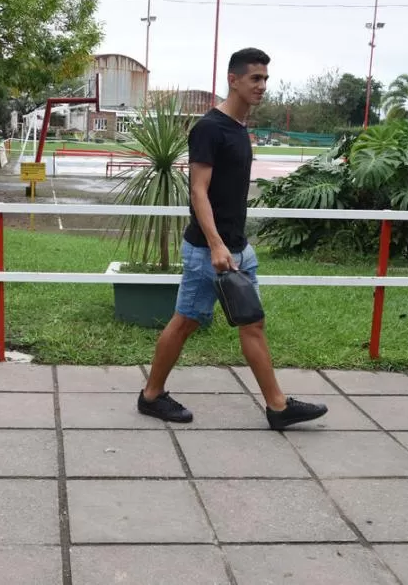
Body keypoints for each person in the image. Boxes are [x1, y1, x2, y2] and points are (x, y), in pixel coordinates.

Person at [137, 48, 328, 430]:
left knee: (251, 323)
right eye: (255, 78)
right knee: (186, 322)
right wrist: (216, 245)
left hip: (237, 248)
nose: (262, 86)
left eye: (265, 79)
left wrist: (232, 245)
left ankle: (277, 407)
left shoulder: (240, 129)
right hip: (209, 251)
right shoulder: (210, 128)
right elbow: (198, 192)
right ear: (233, 79)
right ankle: (151, 396)